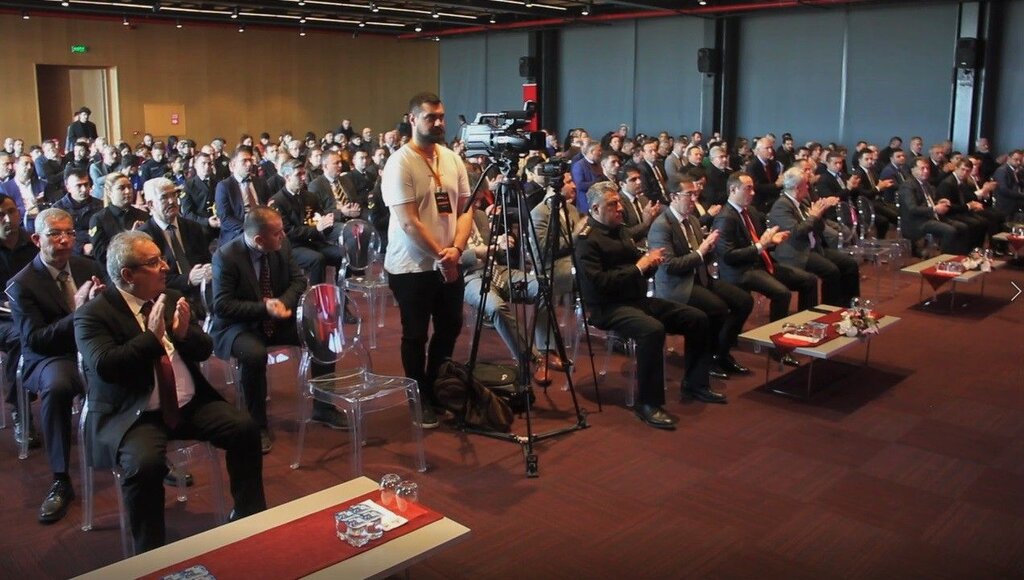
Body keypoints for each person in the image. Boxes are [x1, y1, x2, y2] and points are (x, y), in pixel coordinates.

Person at [75, 231, 265, 554]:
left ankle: (250, 519)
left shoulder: (170, 296)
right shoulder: (93, 315)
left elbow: (205, 349)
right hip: (135, 415)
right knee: (145, 465)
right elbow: (106, 366)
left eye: (162, 258)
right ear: (128, 275)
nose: (165, 266)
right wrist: (151, 338)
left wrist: (184, 335)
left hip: (188, 404)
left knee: (245, 428)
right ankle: (151, 555)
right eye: (153, 262)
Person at [575, 181, 721, 430]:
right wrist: (639, 267)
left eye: (619, 202)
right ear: (596, 208)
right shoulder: (586, 240)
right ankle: (648, 404)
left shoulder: (620, 230)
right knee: (652, 330)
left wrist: (651, 262)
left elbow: (637, 262)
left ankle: (695, 383)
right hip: (606, 307)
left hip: (635, 300)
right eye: (613, 204)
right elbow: (599, 284)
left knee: (697, 318)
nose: (620, 208)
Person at [210, 207, 343, 453]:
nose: (283, 235)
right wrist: (264, 308)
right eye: (277, 233)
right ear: (259, 240)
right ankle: (257, 425)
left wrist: (281, 303)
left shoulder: (282, 246)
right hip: (239, 325)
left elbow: (298, 281)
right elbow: (222, 305)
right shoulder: (226, 256)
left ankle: (323, 407)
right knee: (254, 354)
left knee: (323, 335)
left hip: (278, 317)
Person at [7, 208, 106, 523]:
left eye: (69, 233)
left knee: (131, 365)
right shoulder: (22, 284)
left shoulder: (88, 266)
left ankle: (145, 455)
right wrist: (79, 312)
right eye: (55, 234)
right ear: (37, 239)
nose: (64, 240)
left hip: (90, 348)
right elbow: (35, 340)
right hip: (50, 356)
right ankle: (61, 478)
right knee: (58, 386)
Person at [382, 92, 473, 429]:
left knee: (450, 326)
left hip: (449, 259)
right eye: (430, 117)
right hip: (411, 267)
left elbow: (465, 209)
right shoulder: (400, 162)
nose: (438, 123)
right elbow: (409, 222)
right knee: (416, 334)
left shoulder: (452, 159)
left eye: (441, 117)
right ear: (412, 119)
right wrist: (442, 256)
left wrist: (457, 250)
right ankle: (417, 395)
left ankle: (436, 385)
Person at [649, 175, 752, 378]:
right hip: (677, 286)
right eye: (689, 195)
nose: (694, 199)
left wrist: (710, 249)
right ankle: (709, 358)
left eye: (696, 194)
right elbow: (670, 267)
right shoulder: (662, 225)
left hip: (701, 278)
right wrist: (701, 252)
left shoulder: (693, 220)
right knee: (718, 309)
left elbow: (703, 257)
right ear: (674, 197)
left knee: (744, 301)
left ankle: (721, 353)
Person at [713, 172, 818, 366]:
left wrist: (770, 242)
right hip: (740, 271)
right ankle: (778, 348)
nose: (753, 193)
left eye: (753, 188)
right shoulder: (725, 218)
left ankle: (806, 332)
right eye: (748, 189)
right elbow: (728, 256)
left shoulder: (750, 212)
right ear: (733, 190)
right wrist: (761, 246)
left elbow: (761, 240)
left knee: (808, 280)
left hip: (759, 263)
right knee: (782, 293)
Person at [768, 167, 860, 307]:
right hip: (796, 252)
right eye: (806, 184)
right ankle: (829, 308)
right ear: (797, 188)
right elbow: (796, 233)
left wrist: (819, 215)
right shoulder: (781, 206)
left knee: (849, 264)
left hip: (813, 247)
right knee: (831, 271)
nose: (808, 187)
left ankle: (849, 305)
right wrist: (813, 217)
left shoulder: (803, 201)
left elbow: (819, 227)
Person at [139, 178, 213, 320]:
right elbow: (151, 279)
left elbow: (206, 260)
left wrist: (208, 270)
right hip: (167, 300)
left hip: (202, 292)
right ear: (151, 205)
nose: (172, 201)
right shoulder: (144, 237)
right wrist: (188, 279)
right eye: (164, 197)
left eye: (174, 195)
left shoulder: (193, 227)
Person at [0, 193, 40, 448]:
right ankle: (21, 411)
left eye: (11, 212)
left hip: (31, 311)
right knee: (21, 337)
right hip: (4, 320)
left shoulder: (31, 244)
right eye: (1, 216)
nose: (8, 219)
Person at [267, 159, 343, 285]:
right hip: (292, 246)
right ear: (287, 177)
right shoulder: (277, 202)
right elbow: (287, 232)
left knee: (342, 254)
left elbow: (320, 220)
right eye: (298, 174)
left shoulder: (309, 196)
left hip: (313, 241)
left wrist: (327, 222)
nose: (303, 177)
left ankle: (341, 292)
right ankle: (317, 295)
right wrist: (317, 228)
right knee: (317, 259)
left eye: (304, 173)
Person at [89, 172, 150, 267]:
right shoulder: (99, 219)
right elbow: (101, 255)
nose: (127, 191)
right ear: (109, 192)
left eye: (129, 187)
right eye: (121, 188)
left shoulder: (143, 215)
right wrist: (129, 239)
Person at [214, 146, 269, 245]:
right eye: (244, 161)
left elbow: (267, 205)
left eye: (250, 160)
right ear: (233, 165)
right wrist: (249, 230)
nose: (249, 164)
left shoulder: (260, 182)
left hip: (262, 228)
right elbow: (225, 218)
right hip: (238, 232)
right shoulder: (224, 186)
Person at [52, 169, 103, 257]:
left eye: (86, 184)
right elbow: (57, 237)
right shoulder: (58, 209)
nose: (84, 189)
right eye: (78, 186)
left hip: (98, 250)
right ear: (68, 188)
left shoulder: (99, 205)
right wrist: (81, 248)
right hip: (71, 254)